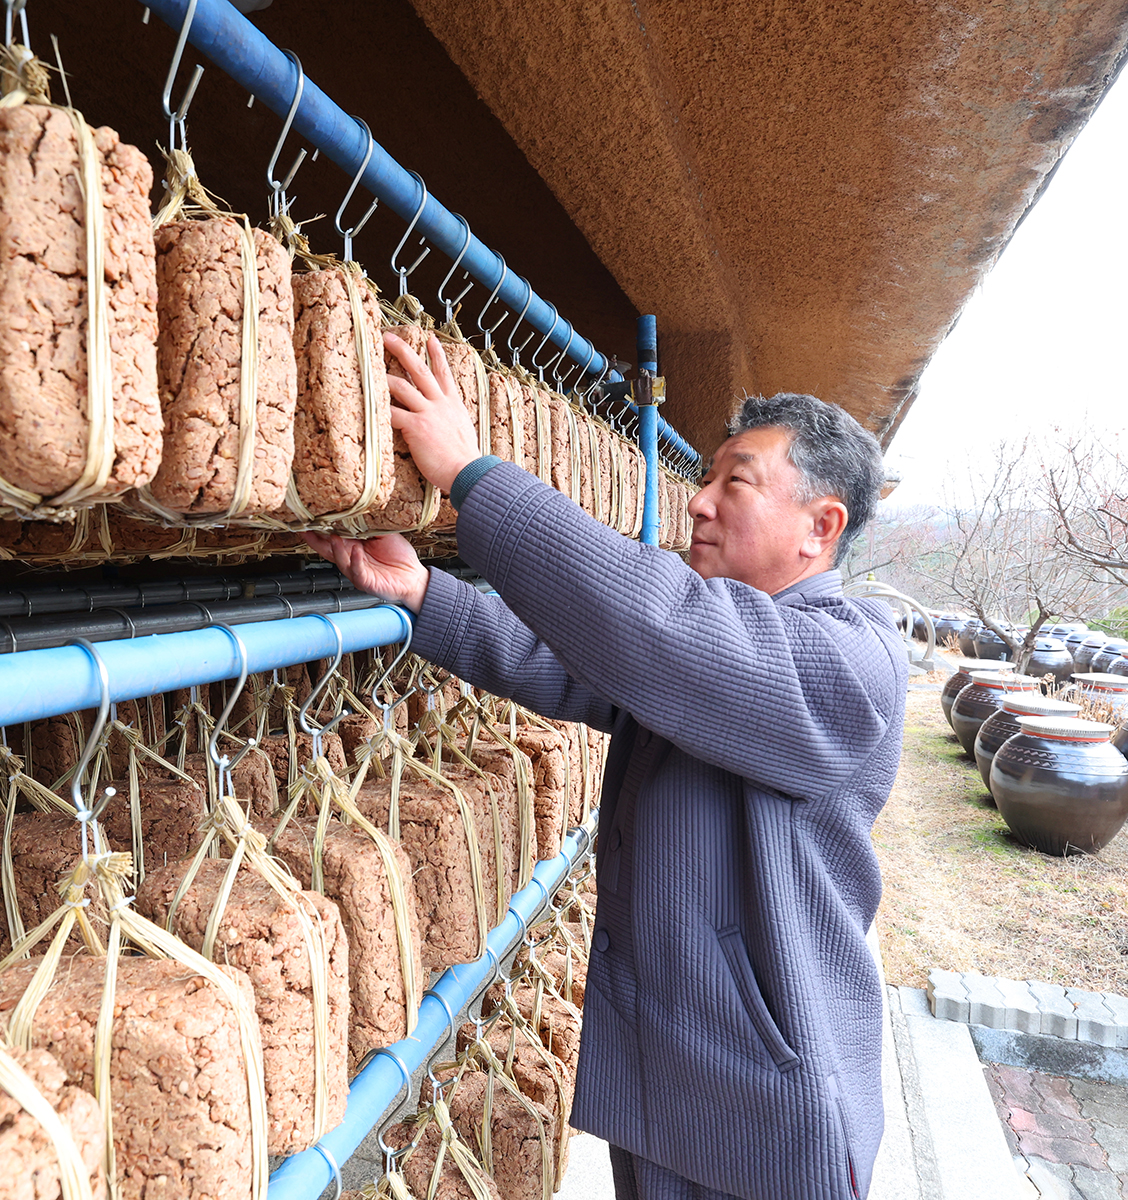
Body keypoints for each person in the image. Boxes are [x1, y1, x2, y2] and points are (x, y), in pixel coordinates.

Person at [305, 334, 908, 1200]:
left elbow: (659, 624)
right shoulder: (719, 656)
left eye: (733, 482)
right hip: (676, 1084)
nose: (697, 504)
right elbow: (571, 667)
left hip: (764, 1109)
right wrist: (426, 595)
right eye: (703, 477)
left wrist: (475, 477)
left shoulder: (851, 663)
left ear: (822, 526)